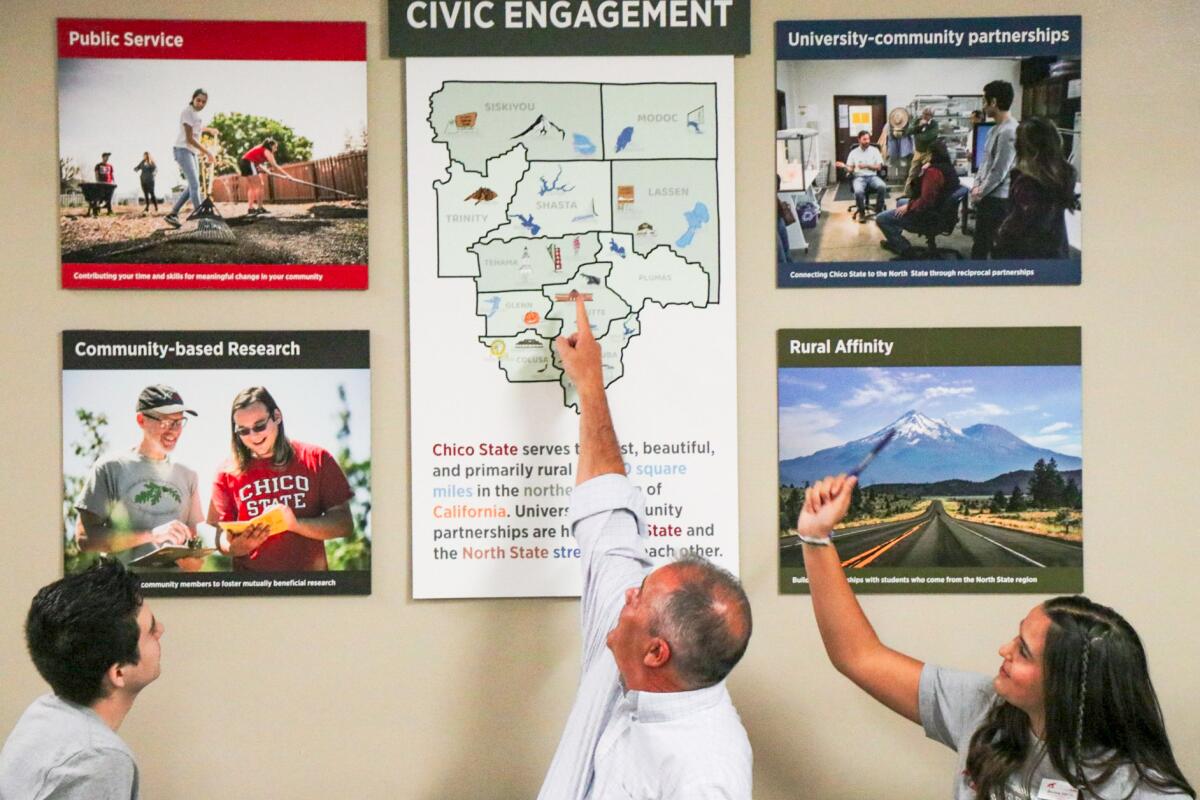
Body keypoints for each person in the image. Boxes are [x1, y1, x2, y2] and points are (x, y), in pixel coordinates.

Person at [796, 473, 1195, 800]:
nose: (1003, 650)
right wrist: (815, 539)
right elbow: (858, 655)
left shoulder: (1145, 792)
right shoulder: (986, 709)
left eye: (1023, 652)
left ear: (1065, 683)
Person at [538, 298, 753, 800]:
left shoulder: (706, 776)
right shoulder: (626, 656)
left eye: (641, 596)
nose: (628, 594)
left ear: (657, 652)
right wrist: (590, 385)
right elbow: (608, 518)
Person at [0, 560, 163, 799]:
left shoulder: (43, 713)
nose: (161, 630)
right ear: (118, 672)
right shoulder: (98, 758)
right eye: (151, 629)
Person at [208, 386, 353, 572]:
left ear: (277, 416)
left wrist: (294, 525)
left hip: (308, 589)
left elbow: (344, 524)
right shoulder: (225, 472)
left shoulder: (317, 458)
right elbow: (221, 536)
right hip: (251, 591)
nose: (253, 436)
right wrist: (234, 548)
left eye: (259, 426)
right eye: (243, 431)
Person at [74, 384, 203, 566]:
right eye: (165, 422)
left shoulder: (188, 475)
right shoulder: (109, 468)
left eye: (179, 422)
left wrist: (192, 561)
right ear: (141, 420)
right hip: (122, 589)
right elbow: (85, 538)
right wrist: (151, 536)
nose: (174, 430)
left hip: (174, 589)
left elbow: (193, 548)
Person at [993, 117, 1079, 259]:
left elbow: (1017, 228)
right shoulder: (1065, 174)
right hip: (1057, 252)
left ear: (1024, 146)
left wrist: (999, 240)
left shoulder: (1027, 184)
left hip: (1026, 258)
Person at [876, 139, 961, 257]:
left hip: (929, 216)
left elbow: (926, 201)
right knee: (901, 201)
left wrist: (909, 206)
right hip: (943, 213)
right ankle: (895, 240)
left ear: (931, 154)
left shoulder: (933, 172)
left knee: (881, 218)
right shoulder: (949, 168)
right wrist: (923, 171)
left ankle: (905, 249)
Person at [970, 80, 1018, 259]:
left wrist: (979, 192)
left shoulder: (1010, 131)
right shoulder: (994, 130)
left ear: (994, 102)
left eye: (984, 101)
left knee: (993, 249)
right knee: (979, 246)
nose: (983, 106)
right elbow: (984, 163)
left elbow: (999, 171)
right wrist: (976, 185)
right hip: (987, 197)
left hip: (999, 201)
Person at [164, 88, 218, 229]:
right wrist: (207, 152)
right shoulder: (187, 112)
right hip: (183, 150)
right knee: (195, 186)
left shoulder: (195, 114)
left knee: (193, 186)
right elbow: (189, 138)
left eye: (204, 102)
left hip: (191, 152)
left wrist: (209, 130)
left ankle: (172, 214)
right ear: (193, 98)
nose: (201, 103)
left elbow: (196, 128)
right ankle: (203, 221)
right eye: (198, 100)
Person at [836, 130, 887, 222]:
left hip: (872, 177)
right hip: (859, 177)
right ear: (859, 140)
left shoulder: (874, 151)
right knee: (858, 191)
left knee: (882, 186)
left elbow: (879, 167)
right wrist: (844, 166)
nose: (867, 141)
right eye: (864, 139)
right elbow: (851, 169)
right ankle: (862, 213)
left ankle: (879, 212)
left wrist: (867, 165)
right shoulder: (853, 153)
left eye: (868, 139)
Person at [238, 137, 284, 216]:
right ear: (270, 145)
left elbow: (257, 163)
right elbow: (275, 165)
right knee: (260, 185)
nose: (276, 149)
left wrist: (267, 171)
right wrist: (287, 175)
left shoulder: (261, 149)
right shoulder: (266, 151)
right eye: (275, 147)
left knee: (252, 187)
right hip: (248, 162)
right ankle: (260, 208)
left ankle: (251, 209)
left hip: (244, 162)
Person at [902, 107, 940, 197]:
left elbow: (928, 137)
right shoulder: (917, 121)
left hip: (928, 153)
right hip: (918, 152)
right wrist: (920, 126)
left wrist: (916, 134)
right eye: (923, 114)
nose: (924, 116)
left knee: (928, 174)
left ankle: (926, 194)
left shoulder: (934, 124)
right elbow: (908, 131)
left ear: (932, 116)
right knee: (912, 173)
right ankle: (907, 193)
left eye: (927, 115)